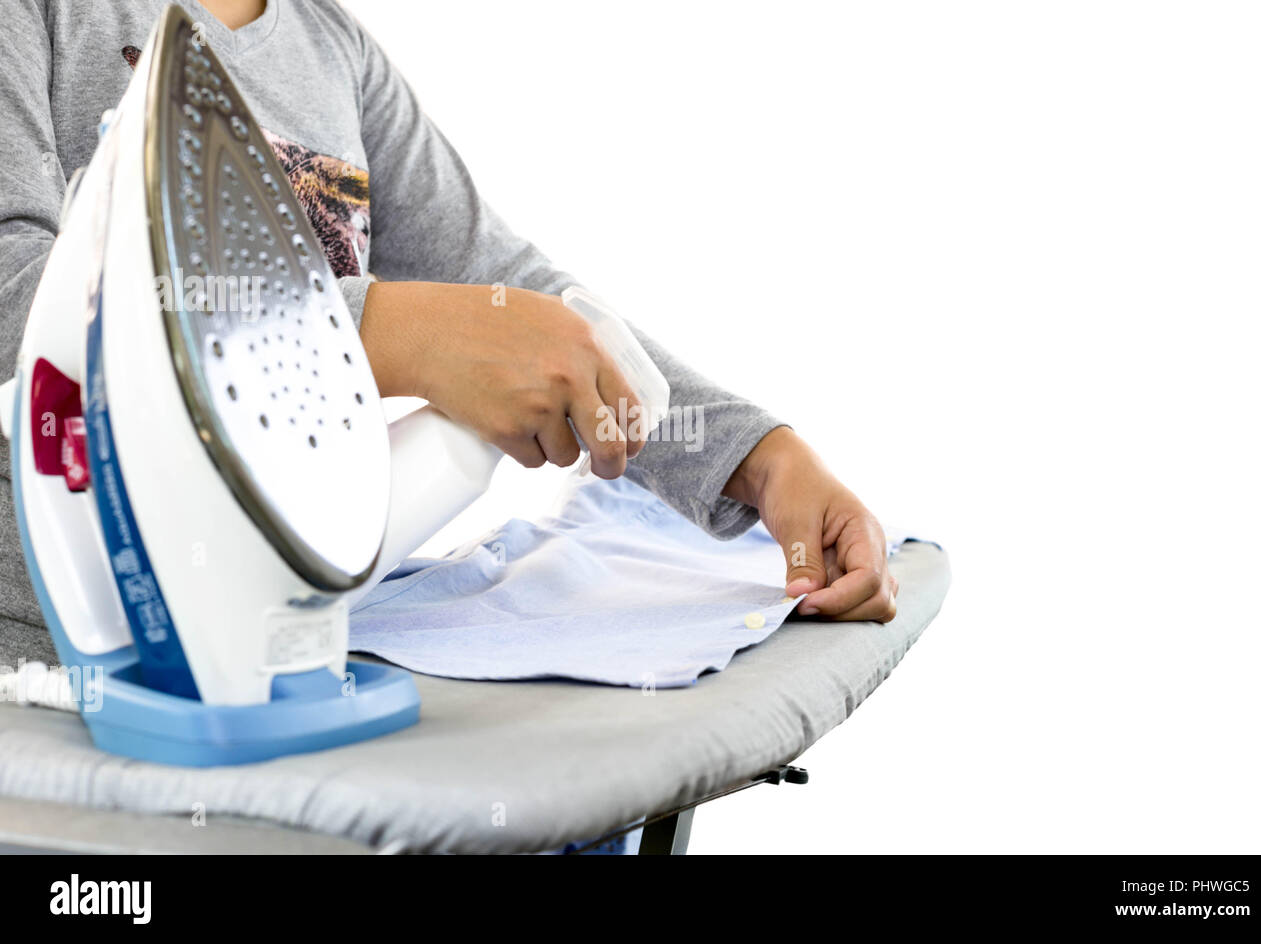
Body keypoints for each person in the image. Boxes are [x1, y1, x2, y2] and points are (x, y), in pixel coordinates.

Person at [0, 0, 896, 670]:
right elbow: (17, 303)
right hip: (50, 669)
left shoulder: (332, 50)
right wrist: (387, 328)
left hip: (285, 641)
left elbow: (508, 288)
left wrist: (761, 461)